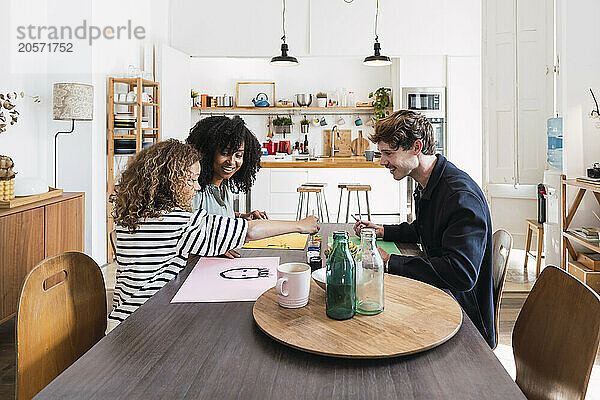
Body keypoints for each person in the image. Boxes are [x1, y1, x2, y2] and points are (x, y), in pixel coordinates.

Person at [108, 139, 318, 331]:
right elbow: (250, 231)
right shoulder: (175, 221)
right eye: (191, 180)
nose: (197, 187)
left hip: (124, 317)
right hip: (146, 323)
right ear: (170, 182)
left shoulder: (135, 216)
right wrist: (301, 225)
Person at [353, 110, 495, 348]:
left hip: (464, 319)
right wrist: (383, 231)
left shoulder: (460, 196)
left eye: (388, 153)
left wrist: (390, 262)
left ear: (416, 147)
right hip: (439, 297)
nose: (381, 161)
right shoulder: (429, 182)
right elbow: (424, 228)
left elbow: (461, 273)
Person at [187, 116, 266, 258]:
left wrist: (241, 217)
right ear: (208, 152)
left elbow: (214, 215)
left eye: (238, 155)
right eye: (224, 153)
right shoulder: (195, 190)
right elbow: (185, 233)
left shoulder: (222, 186)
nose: (232, 162)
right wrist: (215, 247)